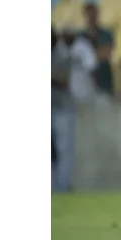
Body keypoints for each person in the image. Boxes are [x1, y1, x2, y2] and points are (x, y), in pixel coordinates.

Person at [51, 27, 76, 192]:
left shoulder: (63, 53)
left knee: (64, 149)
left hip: (62, 108)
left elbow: (63, 80)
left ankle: (62, 187)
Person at [80, 1, 115, 96]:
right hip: (86, 83)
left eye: (93, 13)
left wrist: (88, 55)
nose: (91, 16)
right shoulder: (80, 36)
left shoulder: (107, 34)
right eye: (89, 13)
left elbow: (106, 55)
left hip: (104, 80)